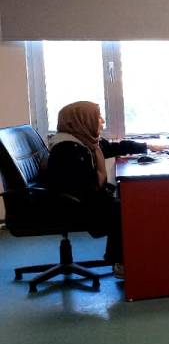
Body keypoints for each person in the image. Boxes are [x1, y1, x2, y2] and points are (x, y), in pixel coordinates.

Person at [45, 101, 156, 276]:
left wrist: (147, 147)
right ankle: (119, 261)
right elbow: (85, 191)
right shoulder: (67, 150)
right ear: (82, 121)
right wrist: (112, 192)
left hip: (83, 199)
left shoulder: (84, 141)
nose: (103, 121)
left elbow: (112, 147)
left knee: (122, 201)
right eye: (97, 117)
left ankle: (119, 258)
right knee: (124, 208)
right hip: (72, 206)